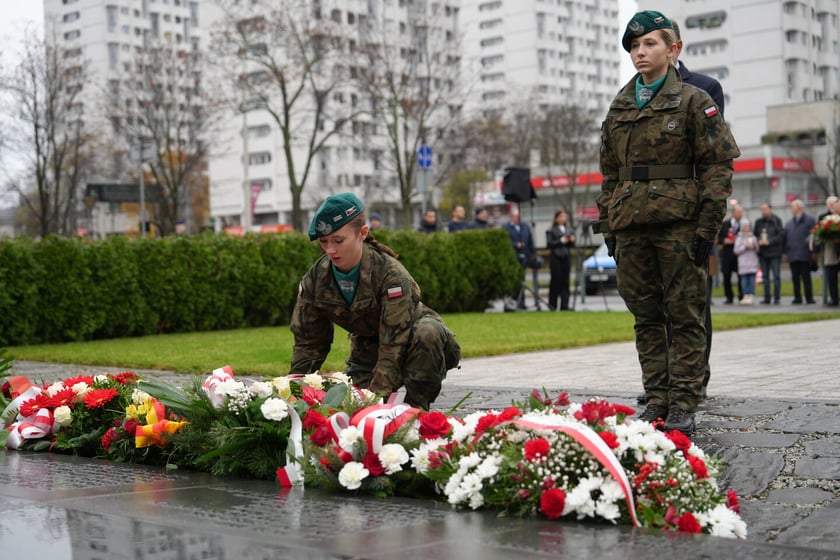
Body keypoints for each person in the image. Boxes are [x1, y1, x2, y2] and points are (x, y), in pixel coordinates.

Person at [595, 10, 740, 436]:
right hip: (630, 227)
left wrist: (706, 230)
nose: (641, 52)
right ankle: (656, 398)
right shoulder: (620, 104)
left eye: (650, 44)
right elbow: (608, 173)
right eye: (635, 47)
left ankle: (684, 402)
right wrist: (608, 228)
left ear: (673, 49)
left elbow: (717, 169)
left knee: (686, 315)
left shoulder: (695, 100)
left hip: (679, 226)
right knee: (646, 316)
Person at [289, 193, 461, 410]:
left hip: (415, 344)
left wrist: (374, 401)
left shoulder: (391, 275)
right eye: (324, 242)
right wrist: (293, 396)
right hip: (368, 351)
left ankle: (416, 412)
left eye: (338, 240)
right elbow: (308, 344)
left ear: (362, 233)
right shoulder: (316, 279)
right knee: (348, 410)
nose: (330, 250)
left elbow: (394, 343)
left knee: (427, 333)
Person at [671, 21, 724, 116]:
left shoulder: (707, 87)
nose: (641, 52)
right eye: (635, 45)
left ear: (677, 47)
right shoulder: (636, 91)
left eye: (651, 44)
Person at [784, 199, 817, 304]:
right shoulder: (789, 223)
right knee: (795, 278)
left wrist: (814, 252)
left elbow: (814, 237)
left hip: (805, 253)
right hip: (793, 254)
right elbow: (785, 238)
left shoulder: (809, 221)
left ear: (799, 207)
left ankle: (809, 297)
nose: (791, 209)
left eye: (792, 206)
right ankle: (797, 297)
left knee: (806, 277)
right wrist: (785, 252)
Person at [504, 205, 536, 310]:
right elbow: (505, 242)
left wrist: (531, 254)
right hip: (513, 259)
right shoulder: (506, 228)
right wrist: (515, 244)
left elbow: (530, 241)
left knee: (523, 282)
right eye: (516, 216)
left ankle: (522, 302)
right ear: (512, 217)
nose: (518, 218)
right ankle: (513, 302)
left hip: (524, 258)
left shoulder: (525, 227)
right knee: (514, 283)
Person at [754, 202, 785, 304]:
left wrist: (769, 241)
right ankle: (767, 298)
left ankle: (777, 297)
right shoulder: (758, 222)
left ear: (770, 209)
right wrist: (759, 240)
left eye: (765, 209)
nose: (763, 211)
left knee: (776, 276)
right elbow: (755, 235)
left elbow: (780, 236)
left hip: (775, 253)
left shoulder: (777, 221)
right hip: (763, 253)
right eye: (761, 209)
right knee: (765, 277)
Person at [545, 209, 575, 311]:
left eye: (564, 216)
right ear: (556, 218)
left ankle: (564, 305)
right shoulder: (551, 230)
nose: (563, 218)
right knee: (555, 282)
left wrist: (571, 240)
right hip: (556, 258)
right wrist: (561, 241)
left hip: (565, 257)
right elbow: (549, 244)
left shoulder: (568, 230)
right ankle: (552, 305)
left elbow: (571, 246)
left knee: (565, 282)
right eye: (561, 216)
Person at [717, 204, 744, 304]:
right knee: (726, 276)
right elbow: (719, 238)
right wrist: (725, 240)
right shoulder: (725, 224)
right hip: (727, 254)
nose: (740, 214)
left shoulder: (743, 224)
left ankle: (742, 296)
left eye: (741, 212)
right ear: (733, 213)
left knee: (741, 276)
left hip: (739, 255)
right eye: (738, 212)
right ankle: (729, 297)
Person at [818, 196, 839, 306]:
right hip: (830, 250)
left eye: (835, 204)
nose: (833, 207)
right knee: (831, 275)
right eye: (831, 205)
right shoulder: (824, 217)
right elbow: (819, 232)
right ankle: (834, 298)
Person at [733, 219, 759, 305]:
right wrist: (745, 246)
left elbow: (758, 250)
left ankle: (751, 295)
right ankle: (745, 295)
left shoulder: (753, 237)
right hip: (743, 263)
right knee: (744, 281)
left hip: (752, 262)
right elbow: (736, 250)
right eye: (745, 227)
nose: (747, 229)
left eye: (748, 227)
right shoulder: (739, 238)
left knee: (751, 280)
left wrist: (754, 246)